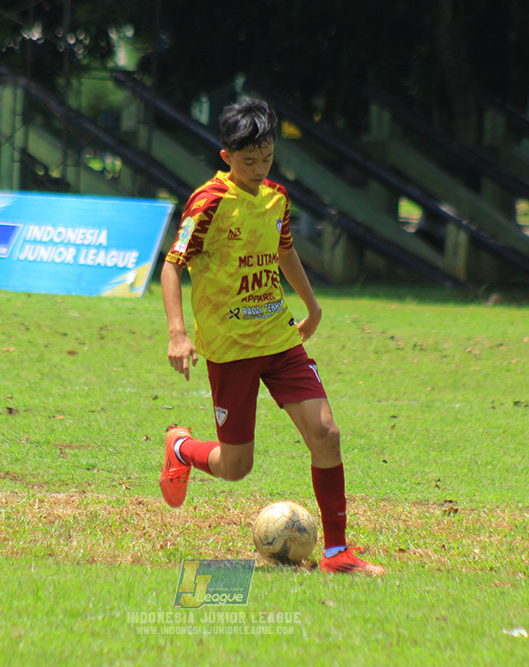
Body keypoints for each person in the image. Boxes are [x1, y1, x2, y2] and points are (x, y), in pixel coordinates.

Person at [159, 97, 384, 576]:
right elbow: (172, 267)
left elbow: (284, 251)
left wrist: (313, 305)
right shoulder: (209, 203)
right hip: (229, 350)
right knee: (236, 467)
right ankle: (181, 448)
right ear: (226, 158)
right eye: (249, 161)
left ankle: (336, 554)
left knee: (326, 434)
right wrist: (178, 334)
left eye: (267, 158)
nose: (260, 169)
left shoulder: (276, 198)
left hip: (279, 341)